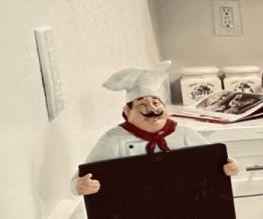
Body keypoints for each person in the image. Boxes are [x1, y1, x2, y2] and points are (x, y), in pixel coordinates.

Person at [73, 63, 240, 195]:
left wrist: (230, 166)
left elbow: (215, 160)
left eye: (155, 103)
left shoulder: (183, 134)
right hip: (134, 212)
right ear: (127, 112)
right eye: (142, 105)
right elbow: (83, 176)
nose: (152, 109)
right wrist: (79, 186)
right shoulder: (113, 140)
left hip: (183, 204)